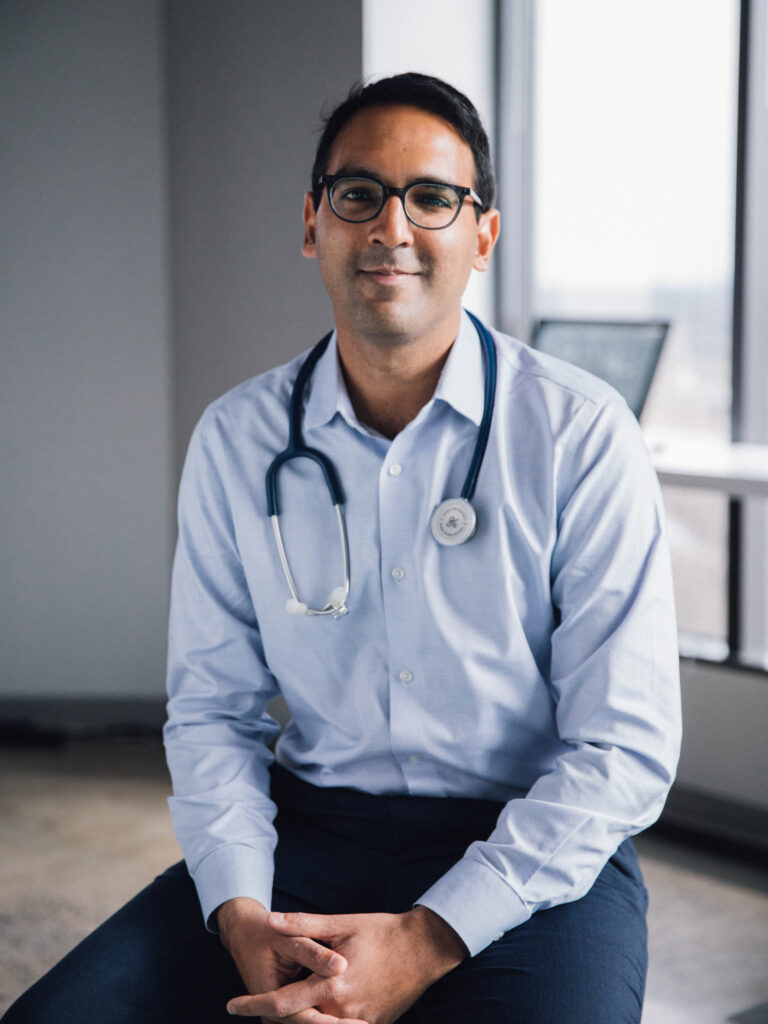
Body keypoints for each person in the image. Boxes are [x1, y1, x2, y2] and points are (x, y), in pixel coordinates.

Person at [3, 72, 681, 1024]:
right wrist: (241, 914)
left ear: (482, 235)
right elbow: (212, 712)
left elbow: (621, 747)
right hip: (310, 832)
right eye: (358, 195)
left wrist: (427, 939)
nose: (391, 229)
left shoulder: (579, 434)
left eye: (433, 198)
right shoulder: (239, 440)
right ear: (314, 222)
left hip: (533, 852)